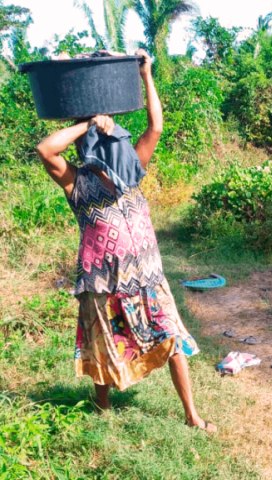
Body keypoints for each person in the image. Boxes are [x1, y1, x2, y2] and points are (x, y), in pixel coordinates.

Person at [35, 50, 215, 433]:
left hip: (149, 278)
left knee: (172, 340)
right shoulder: (78, 185)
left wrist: (146, 74)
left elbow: (156, 127)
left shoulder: (132, 173)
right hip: (103, 283)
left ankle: (191, 413)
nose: (115, 152)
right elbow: (46, 149)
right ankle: (103, 407)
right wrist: (86, 123)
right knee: (102, 348)